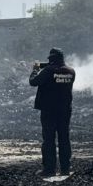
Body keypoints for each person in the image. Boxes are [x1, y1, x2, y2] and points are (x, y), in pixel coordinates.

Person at [29, 47, 76, 176]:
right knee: (64, 139)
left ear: (51, 59)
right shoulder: (71, 71)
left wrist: (35, 69)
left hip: (49, 110)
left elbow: (33, 82)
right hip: (65, 110)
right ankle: (65, 169)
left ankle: (49, 169)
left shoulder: (48, 71)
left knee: (49, 139)